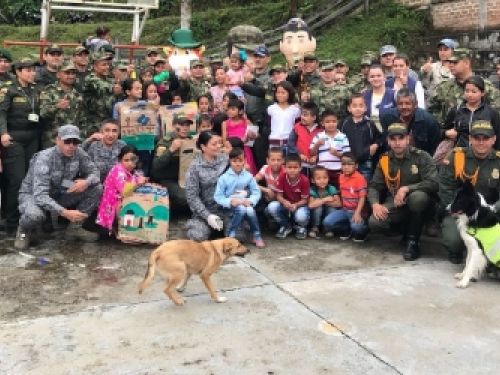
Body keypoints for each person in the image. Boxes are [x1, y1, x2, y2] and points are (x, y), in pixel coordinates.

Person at [15, 125, 103, 250]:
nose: (71, 145)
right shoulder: (44, 158)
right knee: (35, 215)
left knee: (96, 188)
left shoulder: (79, 153)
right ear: (58, 140)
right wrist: (65, 212)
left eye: (75, 142)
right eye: (67, 141)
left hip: (59, 190)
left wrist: (85, 183)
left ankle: (75, 228)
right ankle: (23, 231)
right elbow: (40, 195)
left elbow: (95, 173)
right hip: (34, 194)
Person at [368, 123, 438, 261]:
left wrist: (406, 189)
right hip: (396, 202)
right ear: (388, 141)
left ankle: (413, 242)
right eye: (393, 139)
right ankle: (404, 230)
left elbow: (434, 183)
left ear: (408, 139)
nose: (397, 142)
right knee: (375, 222)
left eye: (401, 138)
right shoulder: (384, 160)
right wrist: (375, 204)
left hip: (421, 203)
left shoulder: (421, 157)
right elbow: (374, 186)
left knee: (417, 198)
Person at [439, 119, 500, 264]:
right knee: (454, 241)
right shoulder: (456, 156)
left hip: (490, 212)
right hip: (461, 212)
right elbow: (445, 187)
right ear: (470, 139)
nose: (481, 142)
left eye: (485, 138)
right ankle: (459, 252)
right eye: (477, 138)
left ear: (493, 140)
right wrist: (458, 210)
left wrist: (493, 209)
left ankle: (490, 259)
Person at [0, 57, 42, 236]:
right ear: (18, 72)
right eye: (28, 70)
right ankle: (11, 222)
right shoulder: (8, 89)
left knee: (29, 180)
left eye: (33, 70)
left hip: (32, 138)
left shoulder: (35, 89)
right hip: (14, 138)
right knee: (16, 181)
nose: (32, 73)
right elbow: (1, 113)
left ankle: (28, 218)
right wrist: (3, 133)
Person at [428, 48, 500, 124]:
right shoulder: (444, 87)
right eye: (450, 62)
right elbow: (431, 110)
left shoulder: (485, 86)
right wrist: (443, 128)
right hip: (451, 133)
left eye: (455, 62)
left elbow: (497, 112)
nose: (451, 65)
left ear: (466, 63)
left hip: (478, 133)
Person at [185, 131, 233, 241]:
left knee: (239, 236)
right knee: (196, 236)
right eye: (214, 144)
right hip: (206, 210)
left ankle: (222, 230)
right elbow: (192, 197)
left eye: (219, 143)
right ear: (203, 147)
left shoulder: (226, 160)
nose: (218, 146)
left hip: (226, 209)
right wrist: (207, 216)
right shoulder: (194, 167)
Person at [214, 148, 264, 247]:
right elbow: (218, 196)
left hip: (244, 204)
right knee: (241, 209)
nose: (237, 164)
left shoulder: (248, 176)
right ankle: (230, 236)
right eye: (234, 161)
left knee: (250, 210)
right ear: (230, 161)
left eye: (240, 161)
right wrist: (229, 201)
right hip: (229, 208)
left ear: (245, 161)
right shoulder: (224, 178)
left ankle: (256, 235)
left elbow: (256, 192)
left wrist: (250, 201)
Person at [96, 145, 147, 234]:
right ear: (120, 160)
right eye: (126, 160)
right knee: (125, 206)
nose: (130, 163)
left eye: (133, 160)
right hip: (113, 205)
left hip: (124, 200)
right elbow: (124, 191)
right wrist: (138, 183)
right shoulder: (118, 170)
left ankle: (131, 229)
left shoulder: (135, 172)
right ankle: (125, 230)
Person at [442, 76, 500, 150]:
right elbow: (441, 130)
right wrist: (446, 133)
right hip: (460, 153)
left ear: (482, 93)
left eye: (474, 92)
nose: (470, 95)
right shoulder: (456, 110)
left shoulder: (492, 113)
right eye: (467, 91)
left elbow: (497, 137)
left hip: (484, 155)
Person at [152, 113, 194, 213]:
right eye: (182, 125)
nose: (185, 128)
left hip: (187, 179)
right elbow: (156, 165)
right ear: (174, 125)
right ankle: (169, 205)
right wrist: (171, 149)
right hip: (169, 180)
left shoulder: (191, 141)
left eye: (187, 125)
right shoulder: (165, 142)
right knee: (186, 197)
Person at [323, 152, 370, 242]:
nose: (346, 167)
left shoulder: (360, 178)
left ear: (356, 166)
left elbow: (362, 197)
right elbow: (341, 192)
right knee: (327, 222)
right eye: (343, 164)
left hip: (358, 211)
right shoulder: (341, 177)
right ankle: (346, 228)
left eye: (349, 164)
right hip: (345, 210)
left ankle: (364, 231)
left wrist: (357, 213)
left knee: (357, 228)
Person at [380, 88, 441, 156]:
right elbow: (385, 143)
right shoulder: (388, 117)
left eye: (407, 103)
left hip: (420, 161)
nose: (404, 107)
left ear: (416, 104)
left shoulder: (429, 121)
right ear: (396, 105)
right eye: (400, 104)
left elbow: (435, 149)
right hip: (394, 160)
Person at [39, 60, 84, 149]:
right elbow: (42, 114)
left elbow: (82, 119)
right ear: (58, 74)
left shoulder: (77, 94)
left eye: (73, 73)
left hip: (72, 141)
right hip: (53, 140)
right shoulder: (49, 91)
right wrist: (57, 107)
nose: (71, 76)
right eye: (67, 73)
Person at [266, 153, 310, 239]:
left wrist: (296, 205)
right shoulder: (282, 177)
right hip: (286, 205)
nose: (292, 170)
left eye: (295, 167)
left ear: (300, 168)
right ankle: (285, 225)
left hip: (299, 205)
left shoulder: (304, 180)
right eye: (289, 167)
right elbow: (279, 196)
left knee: (301, 216)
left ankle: (301, 227)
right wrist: (285, 202)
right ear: (285, 168)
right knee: (272, 206)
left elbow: (305, 200)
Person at [339, 94, 382, 182]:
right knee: (348, 185)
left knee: (364, 185)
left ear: (366, 108)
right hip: (347, 163)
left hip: (365, 162)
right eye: (354, 106)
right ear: (349, 108)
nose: (358, 108)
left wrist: (375, 145)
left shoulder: (370, 124)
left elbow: (380, 137)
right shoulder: (344, 123)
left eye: (361, 105)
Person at [310, 109, 350, 188]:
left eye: (333, 121)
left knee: (337, 191)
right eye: (327, 122)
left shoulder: (342, 136)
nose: (331, 124)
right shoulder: (319, 136)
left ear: (337, 122)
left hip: (338, 170)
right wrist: (317, 145)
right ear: (322, 123)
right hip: (322, 171)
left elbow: (347, 157)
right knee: (323, 191)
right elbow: (312, 153)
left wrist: (337, 154)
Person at [82, 51, 115, 138]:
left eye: (108, 64)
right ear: (94, 66)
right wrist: (115, 87)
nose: (107, 67)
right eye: (103, 65)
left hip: (108, 121)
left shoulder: (109, 79)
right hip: (93, 123)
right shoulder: (90, 78)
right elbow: (103, 87)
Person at [222, 98, 257, 175]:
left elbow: (256, 134)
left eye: (233, 109)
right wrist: (240, 141)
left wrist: (252, 135)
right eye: (228, 109)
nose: (230, 111)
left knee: (247, 170)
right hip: (232, 150)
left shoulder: (246, 122)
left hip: (245, 150)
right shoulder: (225, 123)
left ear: (240, 111)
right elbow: (224, 140)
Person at [287, 101, 322, 177]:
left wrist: (317, 156)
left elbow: (324, 147)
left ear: (314, 117)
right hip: (300, 165)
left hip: (315, 165)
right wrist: (299, 154)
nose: (302, 117)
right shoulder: (297, 127)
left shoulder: (321, 130)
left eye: (305, 115)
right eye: (302, 114)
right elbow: (290, 143)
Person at [267, 81, 301, 154]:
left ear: (289, 94)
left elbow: (297, 127)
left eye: (283, 93)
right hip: (274, 143)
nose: (280, 95)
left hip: (289, 143)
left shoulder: (295, 110)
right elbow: (269, 125)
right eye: (278, 92)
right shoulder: (271, 108)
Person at [308, 165, 341, 238]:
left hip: (327, 214)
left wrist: (320, 201)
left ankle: (327, 228)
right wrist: (325, 200)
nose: (322, 181)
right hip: (316, 216)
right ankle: (315, 227)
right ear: (313, 180)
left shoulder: (331, 188)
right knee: (318, 208)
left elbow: (338, 204)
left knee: (332, 208)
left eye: (325, 178)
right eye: (318, 178)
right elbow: (310, 205)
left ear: (328, 178)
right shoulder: (313, 189)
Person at [363, 65, 396, 132]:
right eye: (372, 76)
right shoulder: (363, 96)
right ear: (368, 78)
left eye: (379, 76)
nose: (375, 79)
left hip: (391, 136)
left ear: (384, 77)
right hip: (370, 136)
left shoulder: (394, 95)